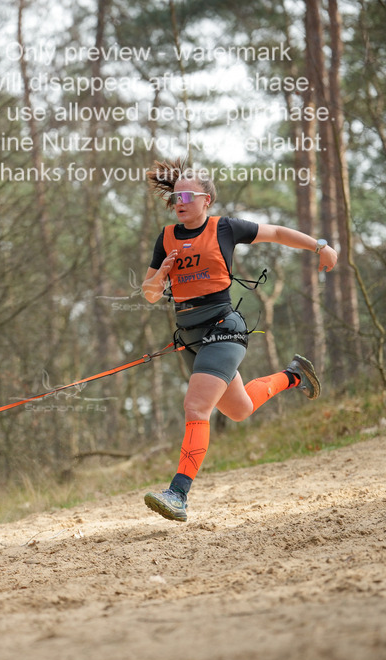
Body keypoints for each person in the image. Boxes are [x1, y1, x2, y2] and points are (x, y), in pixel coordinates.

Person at [140, 158, 338, 522]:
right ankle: (294, 375)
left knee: (196, 407)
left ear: (206, 199)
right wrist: (162, 276)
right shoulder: (166, 238)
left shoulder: (225, 229)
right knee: (240, 408)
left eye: (187, 195)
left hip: (223, 328)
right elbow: (150, 294)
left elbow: (276, 233)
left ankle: (178, 493)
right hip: (189, 336)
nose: (179, 201)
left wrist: (319, 245)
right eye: (175, 197)